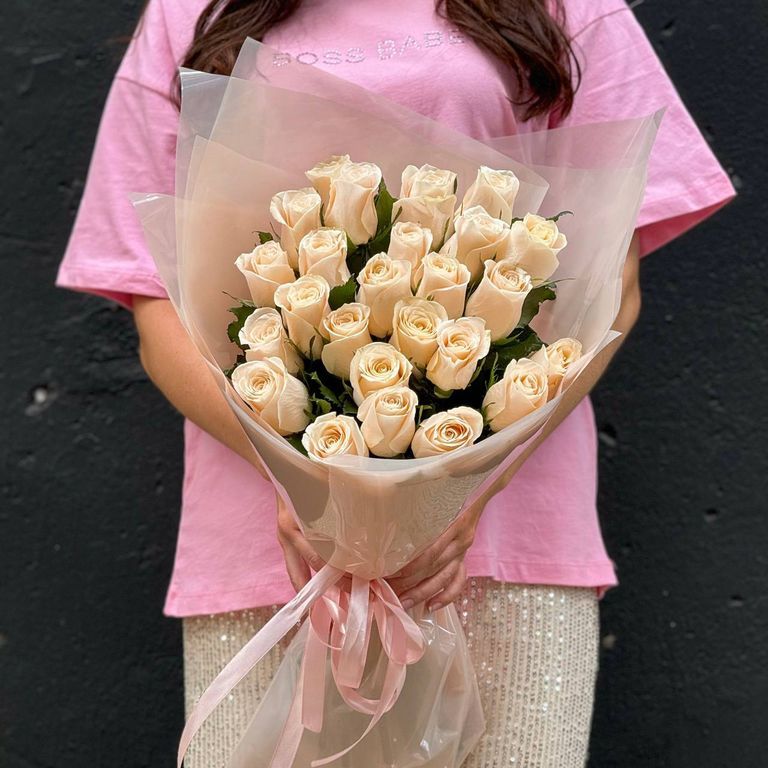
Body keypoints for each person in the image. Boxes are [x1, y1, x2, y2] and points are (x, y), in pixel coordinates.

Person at [56, 0, 734, 765]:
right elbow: (154, 301)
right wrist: (312, 493)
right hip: (273, 544)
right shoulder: (189, 11)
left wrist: (465, 491)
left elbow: (612, 281)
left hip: (501, 533)